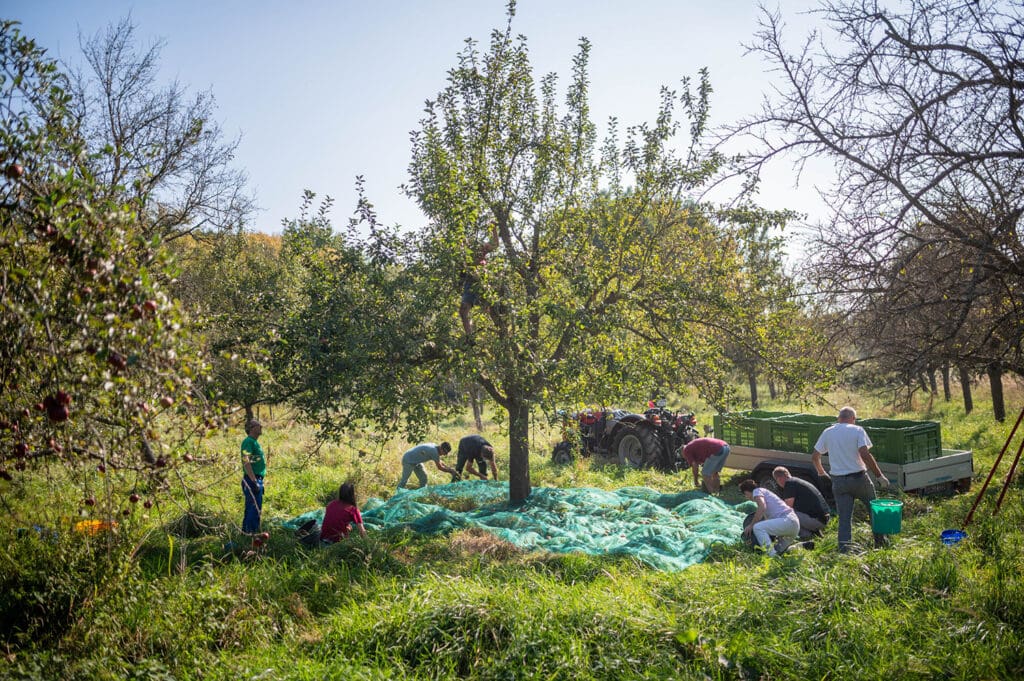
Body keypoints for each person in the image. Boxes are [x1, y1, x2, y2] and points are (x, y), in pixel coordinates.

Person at [811, 406, 890, 553]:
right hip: (859, 479)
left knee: (844, 519)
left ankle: (845, 551)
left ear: (838, 418)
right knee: (875, 511)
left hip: (839, 482)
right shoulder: (857, 430)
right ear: (853, 419)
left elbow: (815, 456)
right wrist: (879, 476)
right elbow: (865, 454)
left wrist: (822, 473)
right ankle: (881, 545)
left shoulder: (828, 432)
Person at [739, 478, 801, 557]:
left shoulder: (757, 491)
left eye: (745, 494)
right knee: (779, 551)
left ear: (747, 491)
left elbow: (762, 507)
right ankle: (800, 545)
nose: (747, 497)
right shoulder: (765, 494)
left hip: (788, 521)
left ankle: (771, 557)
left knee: (757, 527)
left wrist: (751, 525)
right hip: (793, 525)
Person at [459, 222, 499, 336]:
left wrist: (494, 228)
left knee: (490, 307)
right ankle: (469, 337)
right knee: (463, 310)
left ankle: (500, 329)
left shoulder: (479, 247)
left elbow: (495, 244)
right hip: (470, 282)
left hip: (482, 279)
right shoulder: (460, 253)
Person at [772, 466, 831, 539]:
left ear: (779, 479)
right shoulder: (797, 481)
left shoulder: (789, 484)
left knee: (787, 514)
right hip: (824, 518)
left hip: (817, 520)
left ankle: (805, 535)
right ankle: (813, 533)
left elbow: (786, 508)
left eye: (777, 481)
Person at [240, 419, 266, 534]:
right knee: (253, 508)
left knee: (254, 508)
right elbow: (246, 461)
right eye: (258, 425)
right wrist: (254, 480)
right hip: (252, 479)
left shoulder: (255, 442)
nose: (261, 426)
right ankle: (251, 534)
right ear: (251, 428)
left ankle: (247, 533)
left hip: (256, 479)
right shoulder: (248, 441)